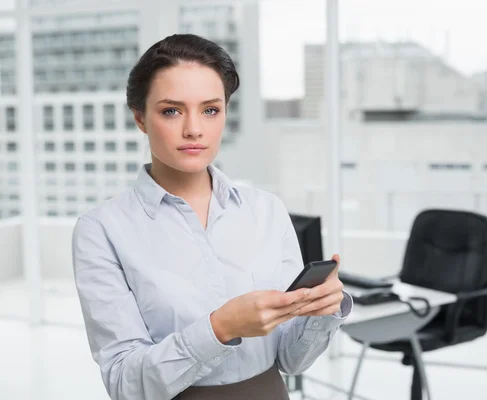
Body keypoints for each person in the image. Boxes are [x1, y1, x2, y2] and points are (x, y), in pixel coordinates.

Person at [71, 33, 353, 400]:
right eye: (171, 110)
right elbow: (126, 383)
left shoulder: (265, 210)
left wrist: (322, 310)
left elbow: (291, 360)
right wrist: (220, 328)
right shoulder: (101, 230)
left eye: (210, 109)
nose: (194, 129)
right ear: (140, 118)